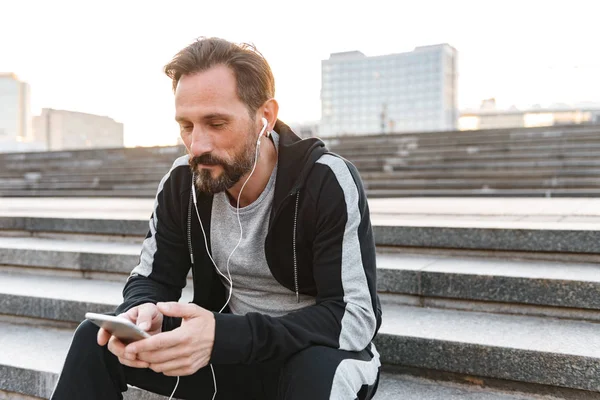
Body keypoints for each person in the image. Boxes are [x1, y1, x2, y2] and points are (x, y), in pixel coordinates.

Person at [51, 37, 382, 400]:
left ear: (265, 117)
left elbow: (354, 316)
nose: (197, 146)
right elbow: (152, 277)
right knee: (96, 338)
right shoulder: (182, 182)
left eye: (216, 123)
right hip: (223, 352)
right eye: (187, 125)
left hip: (310, 353)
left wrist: (225, 336)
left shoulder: (325, 180)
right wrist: (140, 311)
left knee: (316, 374)